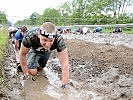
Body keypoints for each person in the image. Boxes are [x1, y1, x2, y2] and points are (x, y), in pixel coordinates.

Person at [19, 22, 69, 89]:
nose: (48, 44)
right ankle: (23, 65)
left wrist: (64, 85)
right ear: (39, 35)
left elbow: (65, 64)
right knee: (33, 72)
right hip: (33, 49)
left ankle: (31, 64)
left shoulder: (59, 39)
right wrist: (26, 74)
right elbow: (22, 54)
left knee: (40, 68)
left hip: (46, 51)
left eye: (51, 40)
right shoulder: (30, 37)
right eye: (44, 40)